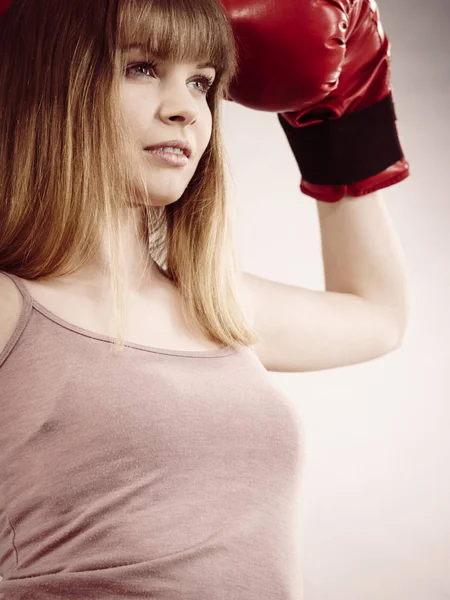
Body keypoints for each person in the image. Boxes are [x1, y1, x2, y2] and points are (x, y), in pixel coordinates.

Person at [0, 0, 409, 598]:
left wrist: (341, 114)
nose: (185, 109)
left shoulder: (215, 307)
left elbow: (379, 317)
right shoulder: (13, 308)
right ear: (48, 84)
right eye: (141, 67)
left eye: (202, 82)